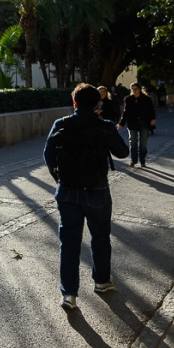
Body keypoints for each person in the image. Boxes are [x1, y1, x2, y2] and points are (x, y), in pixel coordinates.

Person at [44, 83, 130, 311]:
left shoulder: (61, 124)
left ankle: (69, 294)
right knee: (100, 238)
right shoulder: (105, 127)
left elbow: (48, 155)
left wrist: (58, 178)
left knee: (69, 243)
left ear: (74, 102)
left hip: (68, 191)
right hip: (97, 190)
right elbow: (123, 152)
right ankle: (102, 281)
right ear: (97, 103)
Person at [119, 82, 156, 167]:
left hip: (144, 122)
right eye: (132, 89)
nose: (134, 91)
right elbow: (126, 112)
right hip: (132, 123)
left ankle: (142, 160)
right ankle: (133, 160)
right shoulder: (128, 99)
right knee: (133, 142)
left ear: (140, 89)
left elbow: (151, 110)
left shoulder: (146, 99)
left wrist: (153, 119)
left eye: (136, 89)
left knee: (143, 143)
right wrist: (121, 123)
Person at [97, 86, 122, 172]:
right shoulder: (94, 102)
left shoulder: (110, 102)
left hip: (106, 125)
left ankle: (110, 163)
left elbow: (113, 113)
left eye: (103, 92)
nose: (102, 93)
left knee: (106, 145)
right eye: (100, 92)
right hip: (96, 125)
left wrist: (103, 111)